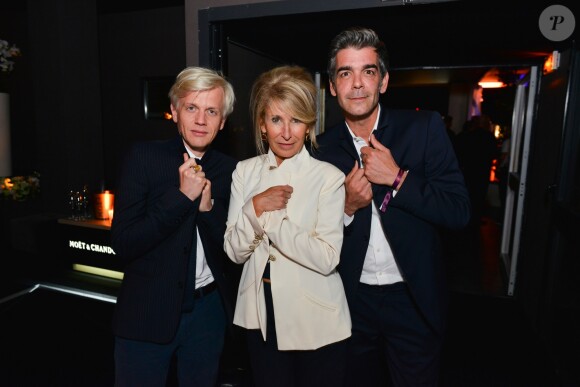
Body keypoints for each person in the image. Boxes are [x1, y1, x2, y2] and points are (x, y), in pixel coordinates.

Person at [314, 27, 471, 386]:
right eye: (345, 73)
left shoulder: (424, 128)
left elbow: (458, 211)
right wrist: (347, 210)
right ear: (333, 87)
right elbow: (311, 233)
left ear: (383, 81)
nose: (357, 84)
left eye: (368, 71)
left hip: (412, 298)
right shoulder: (320, 150)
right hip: (351, 301)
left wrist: (399, 179)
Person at [110, 66, 239, 387]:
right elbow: (124, 243)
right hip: (147, 314)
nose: (200, 120)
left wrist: (207, 209)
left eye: (211, 111)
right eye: (191, 108)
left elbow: (233, 249)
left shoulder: (231, 170)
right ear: (174, 111)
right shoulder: (143, 157)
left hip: (208, 314)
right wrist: (182, 198)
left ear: (222, 121)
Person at [223, 65, 351, 387]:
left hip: (316, 318)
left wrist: (273, 220)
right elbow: (234, 252)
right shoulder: (244, 172)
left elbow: (327, 257)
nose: (286, 132)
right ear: (262, 125)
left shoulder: (329, 178)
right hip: (260, 313)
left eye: (296, 120)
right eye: (276, 119)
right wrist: (254, 207)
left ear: (309, 126)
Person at [454, 114, 499, 228]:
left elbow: (457, 153)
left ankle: (464, 218)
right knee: (479, 197)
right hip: (482, 173)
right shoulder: (489, 137)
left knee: (466, 194)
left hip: (467, 171)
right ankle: (475, 219)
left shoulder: (465, 136)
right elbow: (494, 155)